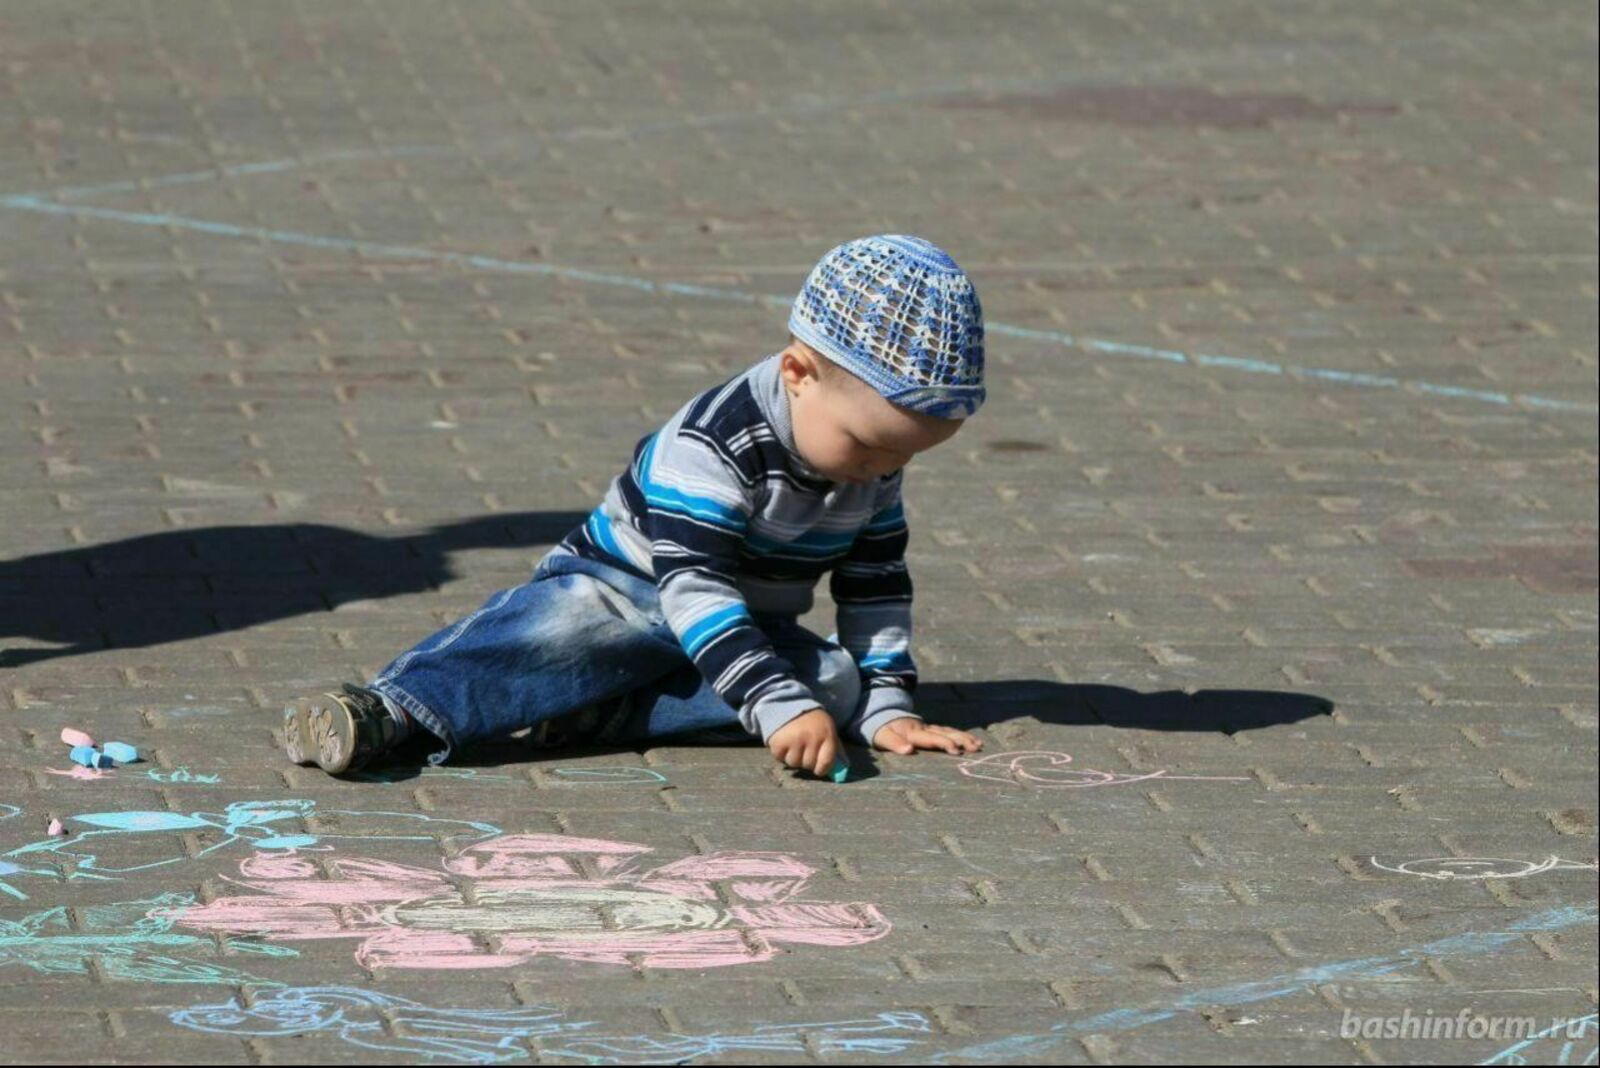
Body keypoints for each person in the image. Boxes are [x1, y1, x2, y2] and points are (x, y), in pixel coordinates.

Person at [282, 235, 986, 779]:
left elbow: (877, 585)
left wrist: (886, 706)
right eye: (867, 447)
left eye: (906, 457)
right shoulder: (714, 444)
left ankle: (603, 710)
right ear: (798, 374)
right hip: (633, 590)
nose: (883, 471)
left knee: (835, 681)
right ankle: (393, 711)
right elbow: (694, 589)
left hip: (736, 625)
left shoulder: (873, 467)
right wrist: (776, 704)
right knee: (563, 632)